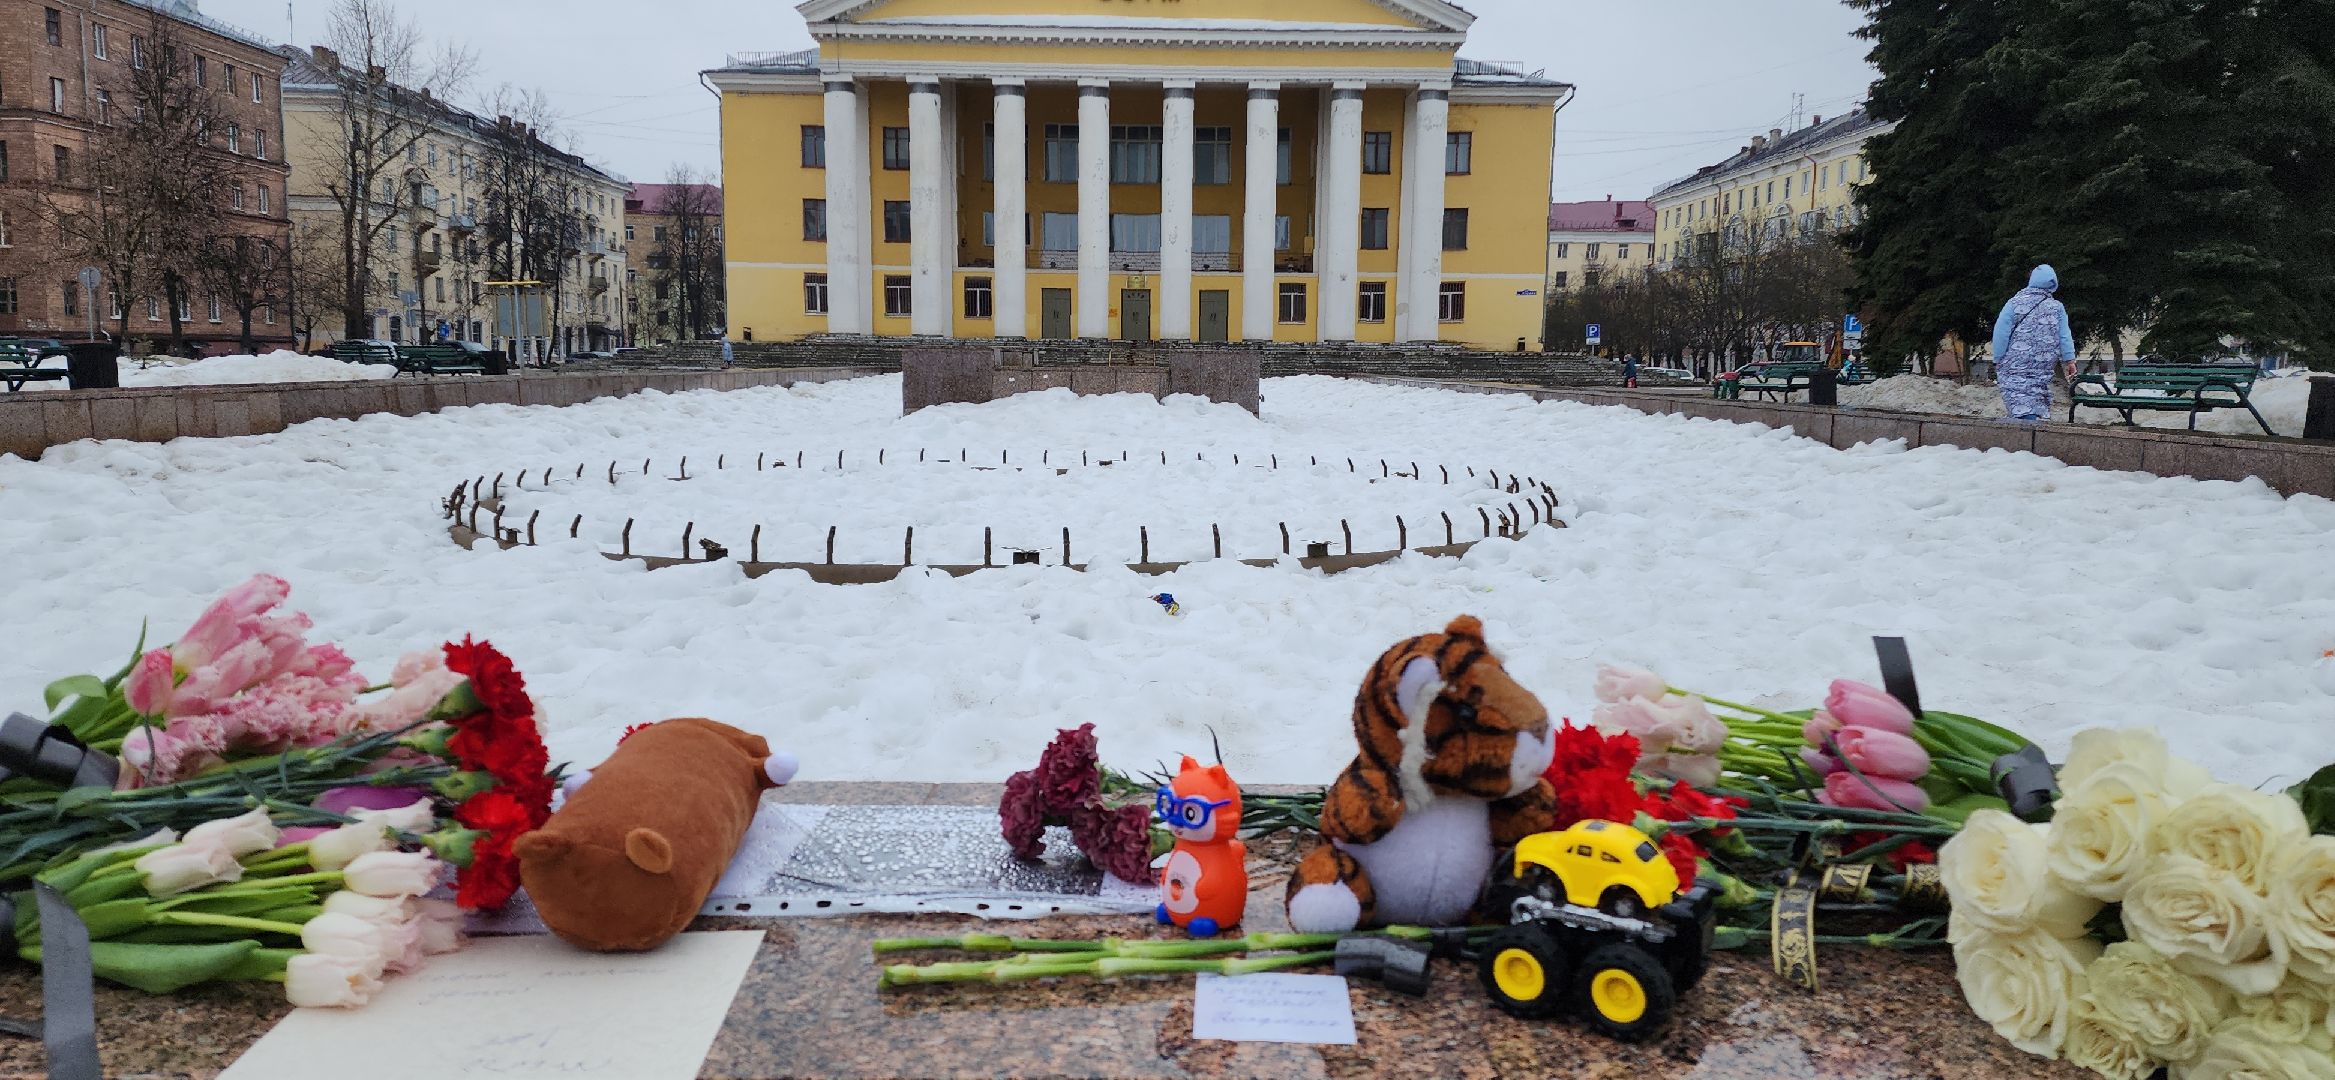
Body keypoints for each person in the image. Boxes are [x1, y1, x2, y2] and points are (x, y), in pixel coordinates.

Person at [1989, 264, 2077, 423]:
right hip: (2044, 361)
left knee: (2015, 388)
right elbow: (2065, 335)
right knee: (2038, 387)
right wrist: (2069, 360)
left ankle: (2026, 422)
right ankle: (2037, 419)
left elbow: (2001, 332)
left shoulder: (2014, 303)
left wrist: (1998, 357)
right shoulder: (2057, 307)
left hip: (2016, 359)